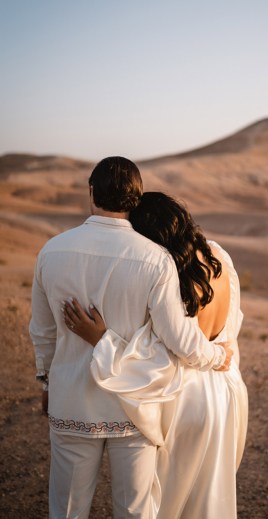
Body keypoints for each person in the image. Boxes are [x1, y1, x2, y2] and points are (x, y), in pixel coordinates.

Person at [29, 158, 232, 519]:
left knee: (67, 511)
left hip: (71, 401)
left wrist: (46, 380)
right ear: (135, 198)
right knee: (135, 512)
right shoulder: (155, 260)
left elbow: (43, 331)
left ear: (91, 192)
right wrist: (217, 357)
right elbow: (180, 339)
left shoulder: (52, 251)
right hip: (134, 408)